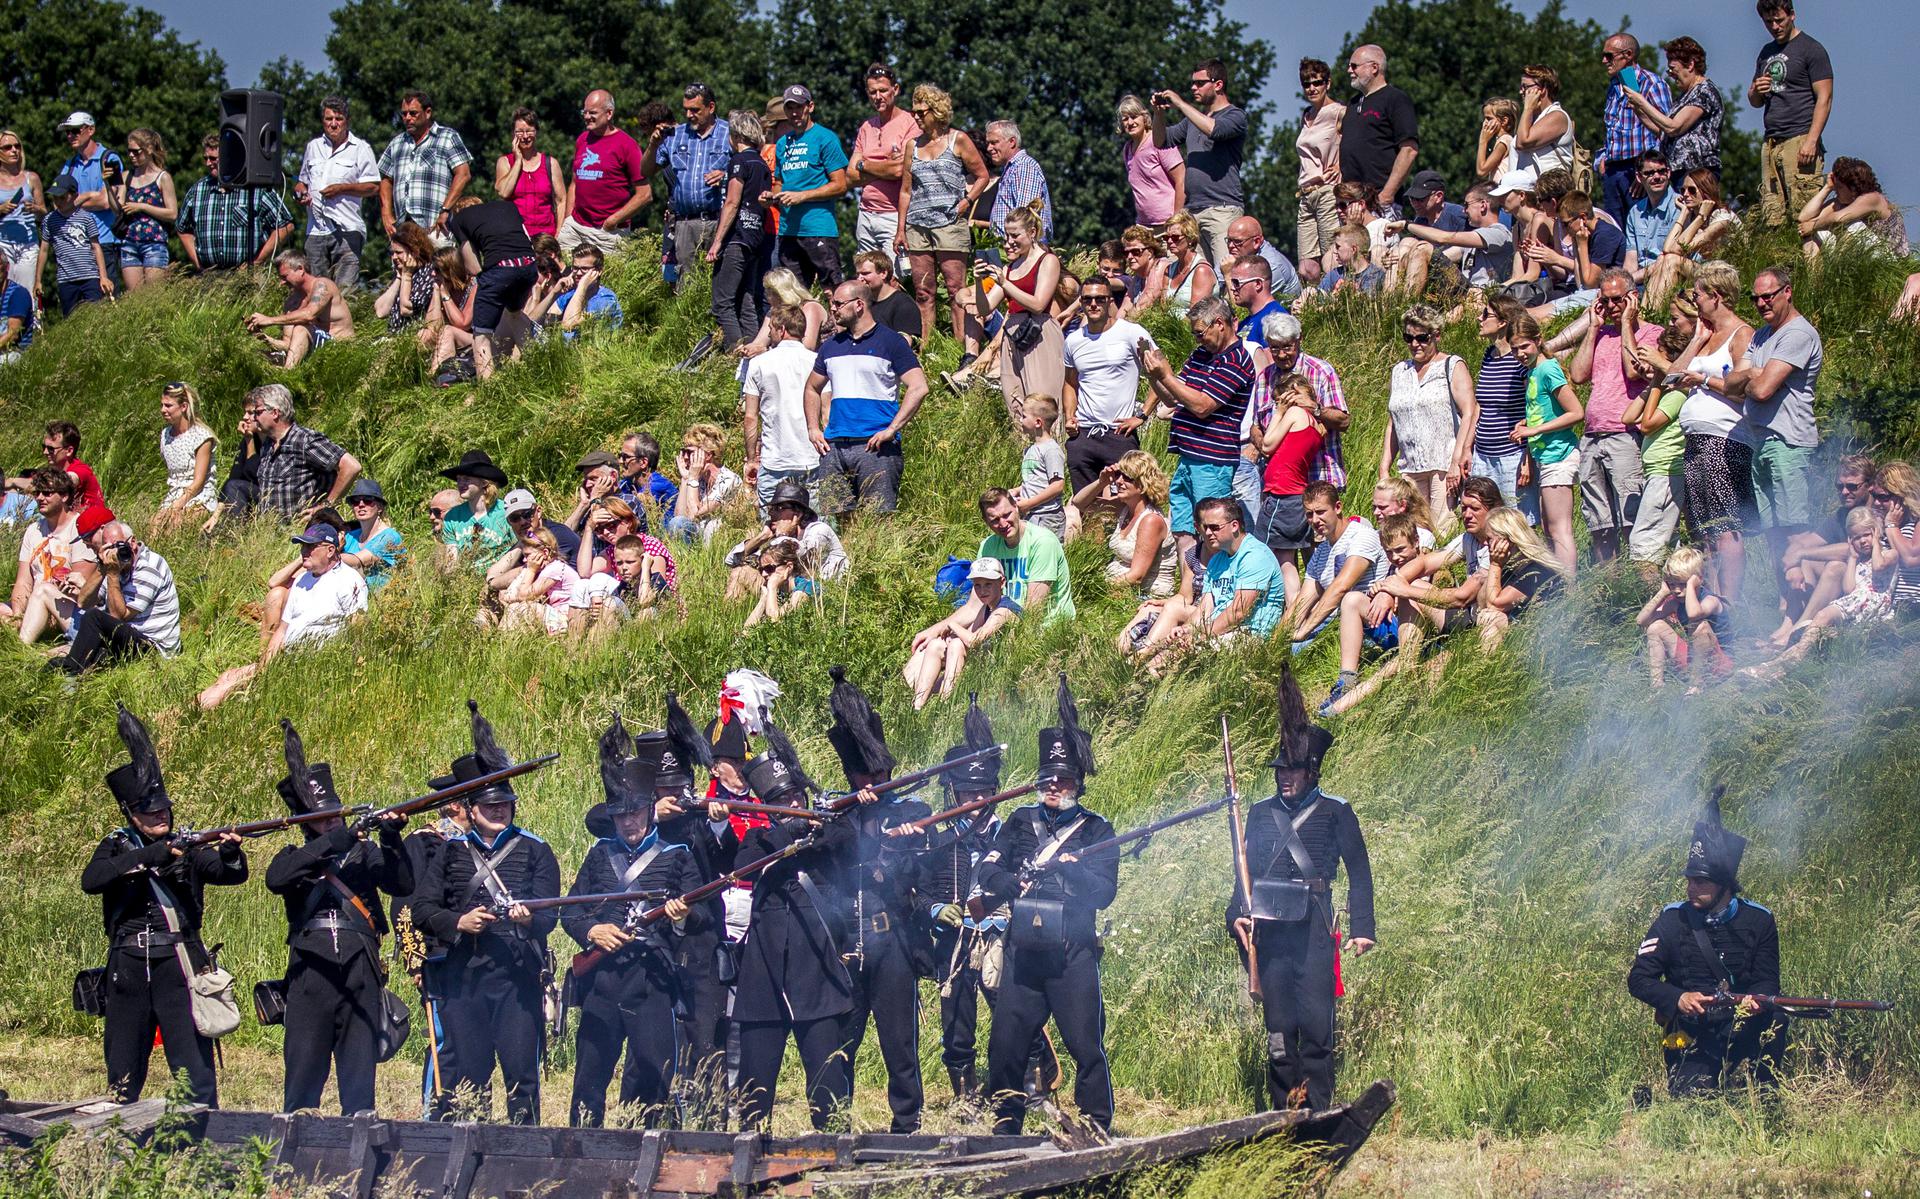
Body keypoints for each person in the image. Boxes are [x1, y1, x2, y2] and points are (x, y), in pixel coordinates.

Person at [82, 706, 247, 1106]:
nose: (159, 815)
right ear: (131, 814)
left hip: (177, 961)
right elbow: (93, 880)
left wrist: (229, 853)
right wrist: (152, 856)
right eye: (149, 811)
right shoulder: (117, 846)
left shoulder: (187, 846)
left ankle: (201, 1136)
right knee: (123, 1065)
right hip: (129, 962)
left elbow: (228, 874)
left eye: (163, 809)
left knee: (193, 1068)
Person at [1230, 664, 1375, 1112]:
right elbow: (1245, 872)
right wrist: (1236, 912)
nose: (1283, 777)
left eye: (1292, 770)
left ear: (1312, 771)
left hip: (1313, 927)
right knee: (1278, 1030)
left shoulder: (1336, 812)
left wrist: (1362, 926)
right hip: (1269, 929)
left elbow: (1359, 869)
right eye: (1280, 770)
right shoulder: (1257, 813)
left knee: (1315, 1027)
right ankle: (1281, 1111)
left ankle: (1318, 1112)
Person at [976, 679, 1116, 1136]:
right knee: (1006, 1045)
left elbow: (1104, 892)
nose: (1054, 786)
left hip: (1072, 951)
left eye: (1064, 780)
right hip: (1024, 949)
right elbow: (988, 873)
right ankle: (1005, 1120)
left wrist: (1073, 870)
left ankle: (1096, 1123)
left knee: (1085, 1045)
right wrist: (1010, 883)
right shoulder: (1018, 822)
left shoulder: (1096, 831)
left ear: (1078, 783)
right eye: (1049, 779)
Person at [411, 703, 560, 1125]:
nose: (499, 810)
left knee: (520, 1076)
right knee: (469, 1079)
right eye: (490, 806)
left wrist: (526, 918)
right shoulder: (449, 851)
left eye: (505, 804)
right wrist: (458, 922)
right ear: (471, 808)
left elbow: (550, 916)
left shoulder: (536, 850)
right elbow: (422, 910)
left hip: (516, 978)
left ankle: (523, 1157)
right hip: (463, 977)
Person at [265, 721, 412, 1115]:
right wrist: (337, 840)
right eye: (321, 816)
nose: (331, 820)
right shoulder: (292, 856)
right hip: (310, 974)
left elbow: (401, 884)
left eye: (334, 814)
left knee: (359, 1083)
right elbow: (277, 880)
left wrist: (392, 838)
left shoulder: (364, 853)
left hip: (360, 969)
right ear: (301, 819)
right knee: (302, 1082)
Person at [564, 716, 702, 1127]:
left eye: (636, 812)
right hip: (602, 980)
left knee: (655, 1077)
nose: (629, 821)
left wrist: (679, 920)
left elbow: (701, 917)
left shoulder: (677, 855)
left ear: (649, 811)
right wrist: (592, 931)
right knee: (589, 1079)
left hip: (652, 980)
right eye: (621, 815)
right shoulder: (597, 856)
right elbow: (570, 909)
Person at [1629, 797, 1788, 1096]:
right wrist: (1678, 997)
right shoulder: (1672, 919)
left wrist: (1756, 1001)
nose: (1691, 888)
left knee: (1776, 1017)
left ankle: (1764, 1092)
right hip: (1693, 1031)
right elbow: (1639, 979)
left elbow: (1768, 980)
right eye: (1690, 881)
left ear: (1725, 886)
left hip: (1743, 1025)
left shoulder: (1760, 920)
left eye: (1701, 882)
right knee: (1694, 1104)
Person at [194, 523, 369, 709]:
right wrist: (265, 666)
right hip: (286, 658)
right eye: (302, 546)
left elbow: (358, 628)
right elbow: (282, 629)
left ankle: (191, 712)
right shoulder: (303, 579)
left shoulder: (349, 581)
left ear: (330, 550)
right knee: (228, 675)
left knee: (227, 687)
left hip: (312, 664)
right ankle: (190, 711)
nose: (304, 551)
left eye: (310, 547)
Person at [1140, 295, 1254, 578]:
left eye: (1200, 333)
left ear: (1220, 323)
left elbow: (1202, 405)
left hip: (1213, 460)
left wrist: (1166, 375)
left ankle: (1216, 588)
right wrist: (1155, 375)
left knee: (1213, 532)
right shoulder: (1201, 355)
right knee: (1183, 529)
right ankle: (1189, 589)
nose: (1198, 340)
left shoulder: (1237, 360)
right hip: (1188, 458)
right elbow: (1174, 397)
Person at [1734, 263, 1823, 610]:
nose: (1761, 303)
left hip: (1788, 441)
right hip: (1762, 442)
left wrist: (1751, 376)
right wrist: (1750, 376)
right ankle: (1787, 612)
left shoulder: (1797, 334)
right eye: (1755, 298)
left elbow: (1761, 389)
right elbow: (1731, 383)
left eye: (1768, 296)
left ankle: (1806, 614)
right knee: (1774, 534)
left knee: (1795, 533)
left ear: (1787, 292)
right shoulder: (1760, 336)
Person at [806, 279, 928, 518]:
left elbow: (919, 387)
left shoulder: (891, 341)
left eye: (839, 304)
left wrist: (892, 429)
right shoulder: (830, 346)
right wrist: (812, 428)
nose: (832, 309)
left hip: (876, 445)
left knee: (878, 519)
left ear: (859, 304)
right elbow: (812, 387)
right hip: (835, 445)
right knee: (838, 519)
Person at [1569, 272, 1661, 563]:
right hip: (1592, 436)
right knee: (1599, 522)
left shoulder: (1651, 333)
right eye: (1605, 300)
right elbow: (1578, 374)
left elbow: (1635, 370)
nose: (1611, 306)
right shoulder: (1601, 335)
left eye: (1618, 300)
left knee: (1629, 514)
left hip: (1625, 434)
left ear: (1633, 298)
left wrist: (1625, 325)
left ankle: (1636, 578)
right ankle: (1607, 582)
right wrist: (1594, 328)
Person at [1133, 496, 1284, 670]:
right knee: (1171, 650)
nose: (1208, 533)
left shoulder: (1255, 556)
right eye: (1205, 527)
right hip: (1220, 629)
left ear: (1234, 526)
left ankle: (1146, 682)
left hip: (1249, 634)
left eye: (1215, 527)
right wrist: (1187, 630)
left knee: (1171, 657)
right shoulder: (1218, 559)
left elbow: (1239, 612)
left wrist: (1198, 635)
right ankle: (1139, 668)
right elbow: (1204, 608)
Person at [901, 85, 988, 354]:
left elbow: (982, 174)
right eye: (913, 112)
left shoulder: (957, 139)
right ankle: (927, 349)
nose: (915, 117)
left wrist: (967, 200)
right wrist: (900, 228)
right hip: (917, 225)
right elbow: (905, 190)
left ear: (935, 111)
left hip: (950, 224)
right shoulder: (912, 146)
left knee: (955, 289)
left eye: (920, 112)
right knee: (923, 291)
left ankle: (961, 350)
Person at [1623, 299, 1700, 572]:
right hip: (1656, 472)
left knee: (1644, 546)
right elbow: (1628, 417)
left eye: (1660, 356)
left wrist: (1657, 381)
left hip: (1667, 472)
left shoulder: (1677, 394)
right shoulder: (1667, 392)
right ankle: (1673, 605)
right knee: (1667, 549)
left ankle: (1651, 603)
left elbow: (1646, 425)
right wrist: (1654, 383)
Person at [1150, 57, 1248, 270]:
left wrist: (1180, 103)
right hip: (1192, 212)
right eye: (1192, 83)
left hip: (1222, 209)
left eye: (1200, 83)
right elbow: (1160, 140)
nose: (1194, 88)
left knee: (1226, 274)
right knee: (1190, 276)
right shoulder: (1192, 121)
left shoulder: (1236, 116)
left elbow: (1215, 130)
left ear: (1218, 84)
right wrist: (1158, 113)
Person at [1381, 304, 1475, 522]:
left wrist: (1456, 461)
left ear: (1436, 336)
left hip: (1443, 464)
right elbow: (1393, 422)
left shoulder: (1451, 365)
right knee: (1416, 529)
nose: (1415, 344)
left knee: (1443, 528)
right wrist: (1384, 467)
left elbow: (1469, 412)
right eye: (1409, 338)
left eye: (1422, 338)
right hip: (1410, 466)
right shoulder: (1400, 371)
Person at [55, 515, 182, 675]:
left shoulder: (149, 566)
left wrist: (112, 574)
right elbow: (83, 602)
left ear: (133, 542)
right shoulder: (114, 565)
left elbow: (117, 617)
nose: (117, 552)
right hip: (131, 638)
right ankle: (67, 670)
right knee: (63, 662)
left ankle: (70, 677)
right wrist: (102, 567)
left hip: (155, 651)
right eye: (110, 548)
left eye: (120, 546)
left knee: (94, 617)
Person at [1061, 274, 1154, 491]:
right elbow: (1070, 383)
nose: (1093, 304)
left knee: (1127, 500)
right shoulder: (1073, 340)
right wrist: (1069, 416)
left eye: (1100, 299)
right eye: (1087, 299)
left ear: (1110, 301)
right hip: (1084, 433)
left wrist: (1142, 415)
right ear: (1081, 303)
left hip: (1119, 432)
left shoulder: (1131, 333)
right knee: (1085, 504)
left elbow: (1159, 374)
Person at [1324, 513, 1424, 708]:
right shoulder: (1392, 569)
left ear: (1416, 542)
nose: (1395, 557)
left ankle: (1407, 670)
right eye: (1389, 552)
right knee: (1352, 599)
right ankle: (1347, 679)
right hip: (1393, 626)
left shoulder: (1427, 566)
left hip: (1420, 635)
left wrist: (1394, 594)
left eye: (1400, 549)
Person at [1508, 314, 1583, 573]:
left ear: (1538, 341)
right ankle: (1558, 583)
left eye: (1524, 346)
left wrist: (1534, 430)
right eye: (1515, 349)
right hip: (1545, 455)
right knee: (1549, 527)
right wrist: (1525, 425)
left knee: (1559, 528)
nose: (1519, 354)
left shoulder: (1548, 368)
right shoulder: (1531, 371)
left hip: (1559, 453)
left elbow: (1575, 412)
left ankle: (1569, 589)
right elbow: (1543, 410)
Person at [1749, 0, 1833, 231]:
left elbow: (1824, 99)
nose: (1775, 26)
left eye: (1779, 20)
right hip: (1771, 140)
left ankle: (1810, 263)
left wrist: (1812, 141)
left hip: (1800, 138)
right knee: (1772, 214)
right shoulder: (1766, 52)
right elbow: (1754, 101)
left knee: (1803, 212)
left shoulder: (1811, 49)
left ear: (1792, 15)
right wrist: (1757, 89)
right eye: (1769, 22)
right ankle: (1779, 265)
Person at [977, 203, 1063, 427]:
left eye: (1015, 235)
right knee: (1015, 402)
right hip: (1013, 336)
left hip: (1038, 334)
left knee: (1042, 404)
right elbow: (985, 308)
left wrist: (1006, 284)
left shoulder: (1048, 261)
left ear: (1032, 233)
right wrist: (979, 282)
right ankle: (1025, 454)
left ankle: (1052, 452)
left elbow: (1038, 303)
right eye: (1006, 236)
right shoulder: (1009, 268)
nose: (1009, 242)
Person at [1283, 482, 1391, 652]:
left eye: (1320, 512)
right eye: (1309, 514)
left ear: (1338, 507)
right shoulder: (1322, 551)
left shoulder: (1361, 536)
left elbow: (1341, 587)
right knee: (1287, 650)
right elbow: (1302, 602)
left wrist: (1303, 631)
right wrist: (1276, 640)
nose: (1315, 520)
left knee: (1297, 649)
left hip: (1369, 621)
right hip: (1335, 621)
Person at [446, 196, 538, 381]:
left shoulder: (458, 219)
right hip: (529, 266)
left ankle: (488, 392)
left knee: (481, 334)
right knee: (514, 313)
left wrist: (485, 280)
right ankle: (540, 368)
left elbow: (472, 265)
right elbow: (527, 238)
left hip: (500, 269)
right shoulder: (507, 206)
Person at [767, 86, 850, 289]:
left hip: (818, 228)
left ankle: (834, 321)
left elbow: (840, 185)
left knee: (832, 290)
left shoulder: (825, 138)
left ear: (810, 107)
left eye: (799, 107)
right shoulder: (781, 144)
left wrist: (802, 196)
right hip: (788, 230)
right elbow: (779, 183)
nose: (794, 113)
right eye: (790, 108)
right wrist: (772, 197)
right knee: (792, 295)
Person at [1255, 372, 1327, 605]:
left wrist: (1279, 413)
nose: (1279, 406)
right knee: (1286, 555)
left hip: (1283, 495)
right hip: (1295, 494)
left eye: (1279, 400)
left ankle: (1292, 609)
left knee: (1282, 557)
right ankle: (1296, 607)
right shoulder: (1316, 423)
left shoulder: (1296, 413)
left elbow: (1267, 445)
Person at [293, 98, 380, 289]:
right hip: (315, 229)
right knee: (316, 292)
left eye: (338, 118)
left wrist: (341, 188)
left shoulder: (360, 149)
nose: (333, 123)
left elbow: (373, 186)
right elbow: (302, 182)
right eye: (328, 118)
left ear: (347, 120)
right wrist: (301, 194)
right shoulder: (313, 147)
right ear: (322, 121)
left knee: (345, 292)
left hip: (347, 229)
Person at [3, 468, 95, 645]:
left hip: (67, 608)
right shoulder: (33, 530)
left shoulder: (80, 528)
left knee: (43, 589)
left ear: (65, 496)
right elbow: (23, 582)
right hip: (34, 604)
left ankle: (20, 647)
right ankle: (22, 628)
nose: (39, 498)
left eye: (46, 493)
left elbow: (80, 591)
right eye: (37, 493)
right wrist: (18, 615)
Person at [177, 134, 295, 270]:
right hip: (209, 275)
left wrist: (257, 261)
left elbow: (285, 226)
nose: (208, 163)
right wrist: (197, 263)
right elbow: (182, 228)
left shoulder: (255, 188)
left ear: (229, 157)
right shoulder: (197, 190)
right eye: (205, 158)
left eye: (213, 158)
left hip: (246, 275)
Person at [650, 82, 732, 277]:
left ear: (711, 107)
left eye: (694, 110)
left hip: (718, 221)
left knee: (719, 281)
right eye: (686, 110)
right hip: (684, 223)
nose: (688, 115)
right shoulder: (675, 135)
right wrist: (653, 145)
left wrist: (726, 176)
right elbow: (646, 170)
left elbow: (748, 170)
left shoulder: (730, 133)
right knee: (686, 285)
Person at [708, 110, 774, 351]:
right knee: (746, 299)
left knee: (722, 303)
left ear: (736, 136)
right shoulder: (761, 163)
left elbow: (732, 202)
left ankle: (735, 354)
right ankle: (754, 352)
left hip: (737, 239)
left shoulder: (739, 161)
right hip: (755, 237)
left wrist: (717, 242)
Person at [1071, 451, 1176, 599]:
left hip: (1146, 595)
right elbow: (1079, 503)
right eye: (1118, 474)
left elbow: (1137, 576)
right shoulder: (1124, 508)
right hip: (1119, 588)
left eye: (1127, 477)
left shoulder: (1151, 521)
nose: (1119, 481)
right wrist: (1102, 482)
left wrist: (1095, 588)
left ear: (1142, 483)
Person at [251, 384, 362, 522]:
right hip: (271, 535)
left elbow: (351, 466)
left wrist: (326, 506)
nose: (254, 418)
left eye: (258, 412)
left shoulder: (304, 440)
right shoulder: (268, 445)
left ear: (275, 413)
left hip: (304, 533)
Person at [724, 478, 848, 599]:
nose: (771, 514)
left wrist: (782, 535)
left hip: (822, 595)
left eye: (779, 508)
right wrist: (762, 538)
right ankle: (729, 617)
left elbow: (801, 552)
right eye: (771, 509)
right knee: (740, 573)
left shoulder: (819, 530)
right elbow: (731, 560)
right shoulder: (778, 538)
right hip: (789, 591)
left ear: (797, 514)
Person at [1596, 35, 1673, 226]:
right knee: (1615, 229)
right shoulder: (1614, 86)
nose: (1604, 61)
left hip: (1636, 169)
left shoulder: (1652, 84)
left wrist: (1645, 173)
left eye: (1609, 55)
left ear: (1628, 55)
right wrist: (1602, 159)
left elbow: (1664, 132)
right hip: (1614, 170)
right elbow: (1613, 129)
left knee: (1642, 226)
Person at [845, 63, 917, 266]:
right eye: (872, 92)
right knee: (865, 276)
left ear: (896, 89)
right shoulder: (866, 127)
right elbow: (850, 175)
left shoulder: (910, 123)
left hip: (894, 215)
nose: (878, 96)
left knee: (893, 277)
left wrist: (864, 165)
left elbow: (899, 170)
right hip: (866, 214)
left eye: (883, 90)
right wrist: (883, 167)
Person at [378, 90, 473, 241]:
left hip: (436, 227)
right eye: (404, 114)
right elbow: (385, 180)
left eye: (413, 113)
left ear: (427, 113)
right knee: (403, 264)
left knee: (438, 265)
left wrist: (445, 210)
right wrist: (386, 215)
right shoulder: (397, 143)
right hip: (403, 227)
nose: (407, 118)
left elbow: (463, 174)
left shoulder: (447, 137)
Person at [1386, 183, 1514, 295]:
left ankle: (1407, 304)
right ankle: (1392, 307)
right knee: (1410, 245)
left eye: (1467, 204)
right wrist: (1404, 257)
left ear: (1483, 205)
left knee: (1424, 247)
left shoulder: (1499, 233)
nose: (1464, 210)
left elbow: (1443, 238)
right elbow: (1443, 256)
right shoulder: (1473, 239)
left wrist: (1406, 225)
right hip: (1466, 292)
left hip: (1482, 295)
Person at [1625, 38, 1722, 179]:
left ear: (1690, 65)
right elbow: (1663, 131)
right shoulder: (1684, 96)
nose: (1670, 74)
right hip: (1678, 170)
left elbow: (1674, 128)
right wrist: (1639, 111)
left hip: (1697, 172)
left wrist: (1641, 102)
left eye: (1673, 69)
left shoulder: (1704, 92)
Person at [1639, 545, 1733, 691]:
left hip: (1719, 666)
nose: (1676, 590)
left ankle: (1696, 686)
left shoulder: (1710, 600)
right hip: (1696, 662)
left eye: (1682, 584)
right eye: (1672, 584)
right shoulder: (1676, 601)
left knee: (1699, 626)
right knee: (1654, 627)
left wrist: (1690, 585)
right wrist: (1663, 592)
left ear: (1698, 580)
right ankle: (1657, 687)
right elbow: (1642, 621)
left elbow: (1693, 614)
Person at [1339, 45, 1419, 212]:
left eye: (1354, 66)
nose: (1349, 70)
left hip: (1379, 200)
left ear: (1374, 67)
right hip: (1350, 202)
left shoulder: (1395, 99)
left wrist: (1387, 194)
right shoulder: (1353, 104)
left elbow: (1409, 149)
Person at [1644, 170, 1739, 310]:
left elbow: (1677, 249)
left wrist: (1701, 217)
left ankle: (1651, 315)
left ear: (1705, 191)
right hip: (1708, 271)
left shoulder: (1722, 219)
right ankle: (1644, 316)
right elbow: (1667, 248)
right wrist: (1684, 213)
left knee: (1671, 261)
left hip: (1727, 275)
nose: (1685, 194)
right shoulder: (1695, 218)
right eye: (1683, 190)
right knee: (1662, 259)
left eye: (1692, 190)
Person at [248, 250, 356, 368]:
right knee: (260, 355)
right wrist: (262, 337)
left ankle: (287, 375)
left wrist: (269, 320)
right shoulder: (291, 303)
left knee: (301, 327)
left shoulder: (322, 285)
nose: (282, 283)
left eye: (285, 277)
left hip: (341, 348)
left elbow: (309, 314)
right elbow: (289, 344)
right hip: (315, 348)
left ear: (300, 269)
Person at [103, 128, 175, 290]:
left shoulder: (162, 177)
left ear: (149, 150)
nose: (131, 155)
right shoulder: (126, 176)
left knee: (152, 297)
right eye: (129, 151)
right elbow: (117, 209)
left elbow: (172, 214)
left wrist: (141, 206)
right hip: (129, 243)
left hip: (154, 243)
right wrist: (107, 185)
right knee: (134, 299)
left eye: (136, 151)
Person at [1293, 60, 1345, 283]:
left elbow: (1355, 142)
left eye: (1317, 82)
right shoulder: (1306, 116)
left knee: (1331, 258)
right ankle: (1313, 305)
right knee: (1306, 268)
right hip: (1305, 194)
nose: (1312, 88)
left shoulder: (1339, 112)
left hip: (1327, 190)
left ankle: (1337, 304)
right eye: (1307, 84)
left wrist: (1342, 165)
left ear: (1328, 83)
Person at [1798, 157, 1908, 259]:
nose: (1836, 190)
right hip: (1866, 252)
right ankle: (1816, 278)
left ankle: (1840, 275)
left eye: (1839, 187)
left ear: (1853, 188)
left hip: (1889, 256)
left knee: (1849, 226)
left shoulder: (1873, 198)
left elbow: (1839, 218)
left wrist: (1813, 225)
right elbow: (1804, 218)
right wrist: (1827, 188)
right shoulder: (1842, 202)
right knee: (1812, 235)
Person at [151, 381, 218, 533]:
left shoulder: (201, 436)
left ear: (183, 407)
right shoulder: (165, 434)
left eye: (168, 406)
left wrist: (176, 507)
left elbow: (199, 482)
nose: (163, 410)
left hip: (199, 495)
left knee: (176, 526)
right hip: (175, 492)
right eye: (162, 405)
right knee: (154, 527)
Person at [54, 112, 123, 257]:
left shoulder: (110, 159)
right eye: (68, 131)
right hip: (76, 242)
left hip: (104, 241)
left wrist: (73, 202)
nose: (70, 136)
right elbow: (57, 202)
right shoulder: (70, 164)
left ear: (90, 130)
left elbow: (105, 202)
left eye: (75, 130)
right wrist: (90, 195)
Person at [41, 174, 112, 314]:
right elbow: (43, 250)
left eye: (62, 197)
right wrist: (38, 280)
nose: (58, 202)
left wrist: (103, 276)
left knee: (96, 315)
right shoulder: (49, 220)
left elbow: (96, 247)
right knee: (70, 318)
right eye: (55, 198)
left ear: (74, 196)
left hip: (90, 277)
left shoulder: (86, 217)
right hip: (66, 279)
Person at [666, 422, 744, 544]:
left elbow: (695, 514)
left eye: (690, 452)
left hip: (717, 539)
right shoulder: (698, 478)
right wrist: (685, 479)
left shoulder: (728, 479)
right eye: (683, 452)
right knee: (676, 523)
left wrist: (692, 479)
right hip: (699, 537)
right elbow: (679, 517)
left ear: (707, 455)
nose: (685, 457)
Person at [438, 449, 515, 571]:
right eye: (459, 479)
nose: (460, 483)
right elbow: (451, 562)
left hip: (500, 579)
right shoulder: (452, 517)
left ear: (484, 482)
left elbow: (518, 551)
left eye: (467, 479)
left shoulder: (506, 512)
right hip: (466, 582)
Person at [495, 107, 565, 239]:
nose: (525, 136)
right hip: (515, 235)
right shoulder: (504, 162)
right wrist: (518, 161)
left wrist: (559, 234)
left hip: (546, 236)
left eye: (529, 131)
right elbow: (504, 192)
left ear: (536, 132)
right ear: (513, 134)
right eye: (520, 132)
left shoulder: (551, 164)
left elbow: (561, 201)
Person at [1117, 94, 1184, 229]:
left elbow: (1181, 180)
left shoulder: (1158, 141)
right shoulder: (1127, 150)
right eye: (1125, 119)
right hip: (1143, 226)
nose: (1130, 122)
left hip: (1168, 225)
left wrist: (1176, 220)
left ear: (1144, 117)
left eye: (1134, 116)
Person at [0, 130, 46, 314]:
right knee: (3, 291)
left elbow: (45, 214)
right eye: (7, 147)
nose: (14, 150)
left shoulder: (31, 178)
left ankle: (32, 333)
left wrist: (35, 209)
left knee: (28, 291)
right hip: (2, 244)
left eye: (17, 146)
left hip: (28, 244)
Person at [984, 121, 1053, 242]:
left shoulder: (1024, 167)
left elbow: (1025, 217)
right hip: (1012, 249)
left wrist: (1016, 252)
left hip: (1021, 250)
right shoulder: (1012, 168)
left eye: (994, 142)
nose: (989, 148)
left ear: (1012, 142)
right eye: (988, 143)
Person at [1621, 151, 1680, 287]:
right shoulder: (1635, 212)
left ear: (1669, 173)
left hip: (1666, 279)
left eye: (1661, 171)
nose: (1657, 177)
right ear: (1639, 177)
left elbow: (1670, 259)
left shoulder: (1680, 207)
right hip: (1638, 281)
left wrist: (1627, 281)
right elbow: (1631, 260)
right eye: (1649, 173)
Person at [374, 221, 441, 340]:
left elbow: (406, 310)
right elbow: (380, 311)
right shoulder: (402, 272)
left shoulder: (429, 273)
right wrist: (400, 277)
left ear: (414, 251)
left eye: (398, 253)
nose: (394, 257)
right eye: (392, 253)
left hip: (413, 338)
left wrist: (407, 276)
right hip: (394, 337)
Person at [1013, 396, 1068, 540]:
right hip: (1031, 513)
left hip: (1047, 516)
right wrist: (1017, 491)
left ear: (1038, 422)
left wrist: (1028, 504)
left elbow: (1057, 485)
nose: (1020, 420)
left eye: (1024, 416)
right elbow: (1035, 481)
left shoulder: (1051, 450)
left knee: (1046, 552)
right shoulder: (1030, 450)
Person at [340, 477, 406, 590]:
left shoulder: (389, 537)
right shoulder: (350, 536)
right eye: (356, 501)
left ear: (380, 507)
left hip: (381, 601)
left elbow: (357, 561)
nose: (361, 505)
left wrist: (323, 554)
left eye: (368, 500)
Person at [1158, 211, 1217, 319]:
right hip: (1169, 329)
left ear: (1190, 239)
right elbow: (1163, 310)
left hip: (1191, 331)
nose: (1170, 241)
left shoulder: (1201, 270)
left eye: (1175, 237)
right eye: (1167, 238)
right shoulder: (1169, 270)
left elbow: (1196, 315)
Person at [854, 249, 921, 339]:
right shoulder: (863, 304)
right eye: (858, 274)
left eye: (865, 273)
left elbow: (904, 344)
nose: (859, 278)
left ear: (883, 273)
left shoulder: (903, 304)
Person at [1317, 225, 1383, 296]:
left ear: (1353, 249)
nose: (1334, 251)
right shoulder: (1334, 274)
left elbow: (1369, 300)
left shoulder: (1375, 275)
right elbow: (1318, 296)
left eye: (1338, 247)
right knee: (1309, 291)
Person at [1475, 97, 1519, 183]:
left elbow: (1481, 171)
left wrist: (1483, 141)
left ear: (1504, 121)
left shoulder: (1505, 141)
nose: (1484, 123)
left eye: (1489, 118)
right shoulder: (1504, 140)